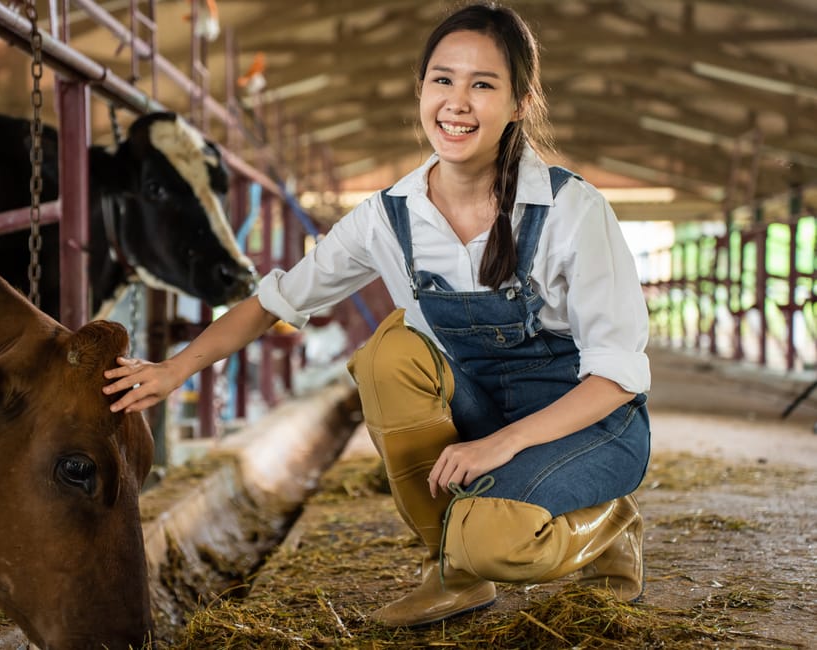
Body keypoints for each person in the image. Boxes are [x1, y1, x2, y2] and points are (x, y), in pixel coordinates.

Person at [105, 0, 650, 628]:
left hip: (587, 424)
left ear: (520, 102)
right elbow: (274, 301)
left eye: (483, 85)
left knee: (495, 540)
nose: (457, 102)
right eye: (443, 80)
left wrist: (500, 445)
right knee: (389, 354)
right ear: (420, 90)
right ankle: (452, 575)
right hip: (484, 410)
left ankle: (611, 525)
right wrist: (175, 371)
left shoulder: (571, 210)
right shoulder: (388, 217)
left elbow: (616, 376)